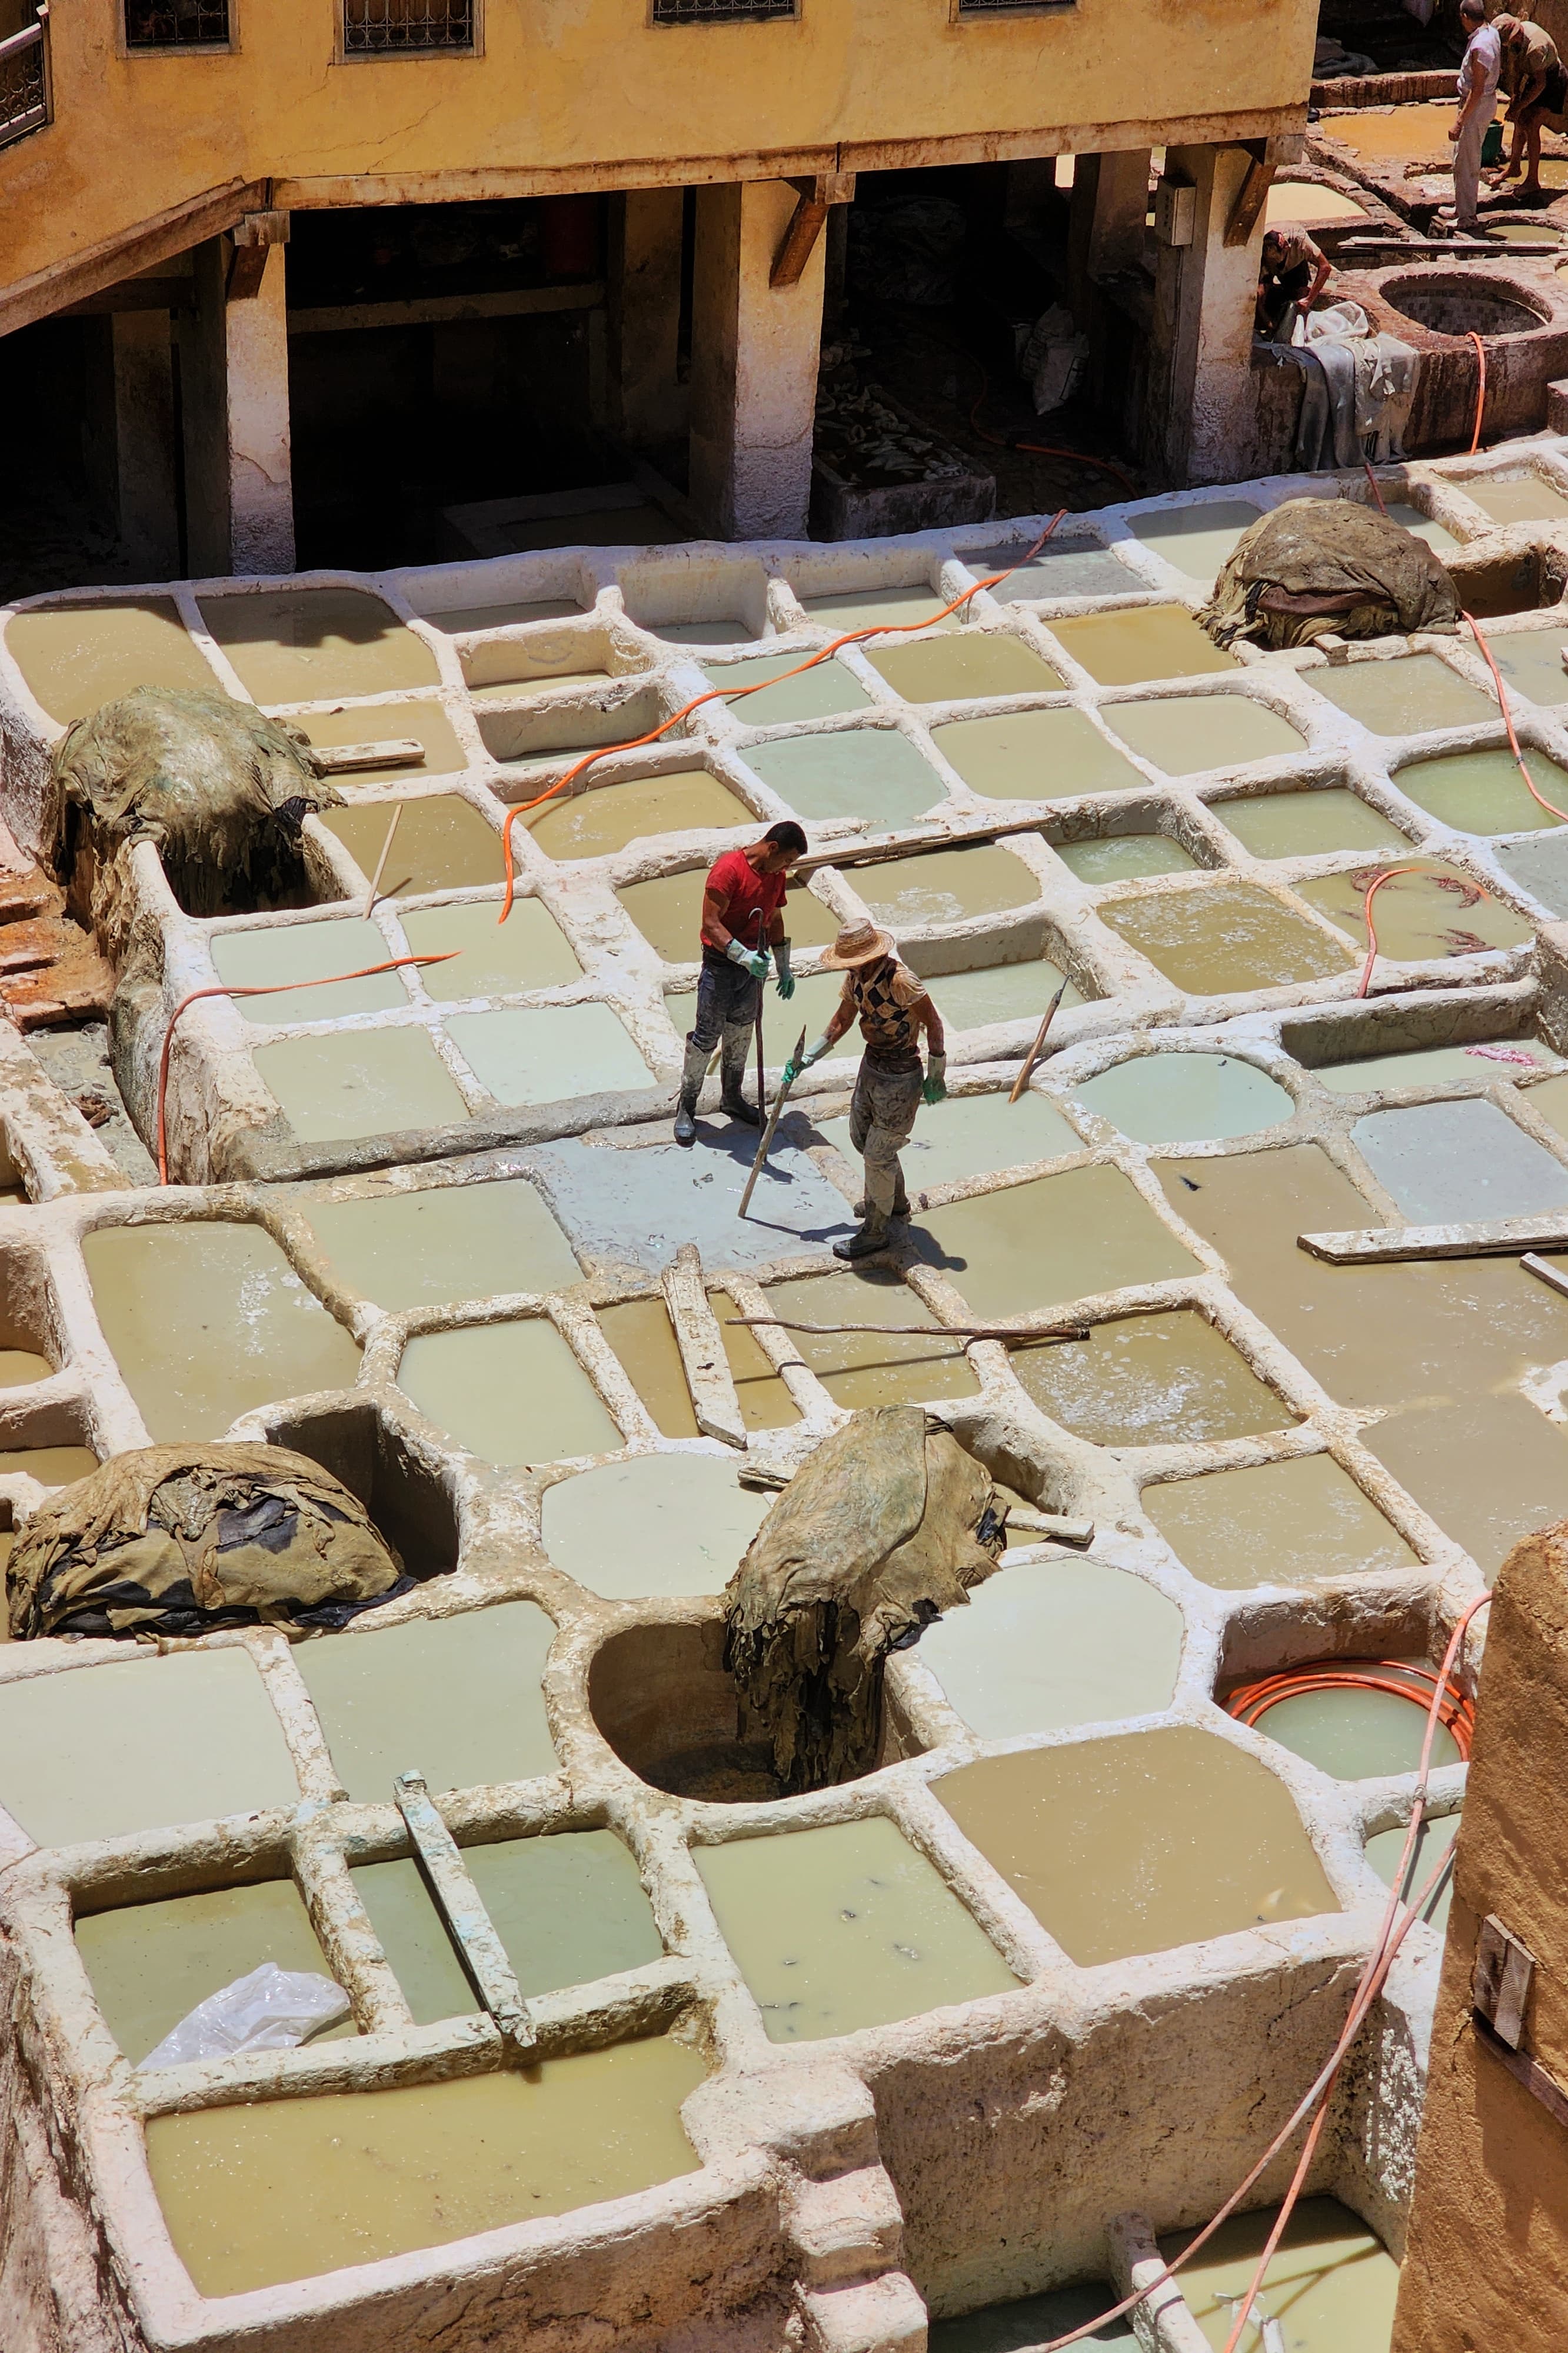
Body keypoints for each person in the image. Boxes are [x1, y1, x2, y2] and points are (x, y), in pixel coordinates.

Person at [783, 918, 946, 1262]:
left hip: (901, 1074)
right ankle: (893, 1201)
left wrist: (936, 1072)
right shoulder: (856, 979)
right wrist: (809, 1056)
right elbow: (842, 1019)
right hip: (872, 1066)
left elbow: (932, 1022)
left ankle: (876, 1230)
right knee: (861, 1137)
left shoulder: (902, 981)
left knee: (879, 1153)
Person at [674, 819, 807, 1148]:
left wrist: (783, 965)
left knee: (742, 1031)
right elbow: (710, 922)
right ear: (772, 848)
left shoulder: (775, 877)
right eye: (788, 860)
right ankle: (687, 1107)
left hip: (752, 970)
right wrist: (740, 955)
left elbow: (774, 918)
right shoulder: (728, 871)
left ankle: (731, 1097)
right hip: (721, 966)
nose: (787, 868)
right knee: (706, 1037)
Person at [1490, 14, 1567, 199]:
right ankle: (1515, 167)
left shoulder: (1535, 47)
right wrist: (1515, 95)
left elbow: (1541, 84)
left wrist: (1519, 106)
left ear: (1516, 33)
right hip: (1536, 78)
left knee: (1532, 123)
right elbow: (1517, 67)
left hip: (1552, 80)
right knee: (1520, 119)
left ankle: (1533, 180)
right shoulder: (1517, 40)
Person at [1446, 0, 1503, 234]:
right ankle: (1461, 208)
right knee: (1461, 157)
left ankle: (1467, 216)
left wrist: (1460, 121)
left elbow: (1477, 89)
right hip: (1482, 102)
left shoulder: (1480, 46)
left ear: (1465, 17)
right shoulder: (1491, 33)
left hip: (1477, 104)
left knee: (1468, 160)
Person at [1255, 225, 1331, 341]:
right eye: (1271, 258)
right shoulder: (1259, 248)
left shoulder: (1301, 243)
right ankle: (1273, 327)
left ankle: (1295, 328)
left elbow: (1326, 267)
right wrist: (1270, 325)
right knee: (1259, 296)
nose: (1274, 260)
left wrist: (1309, 299)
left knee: (1299, 295)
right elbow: (1259, 295)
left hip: (1295, 265)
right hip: (1266, 266)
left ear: (1285, 249)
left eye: (1276, 258)